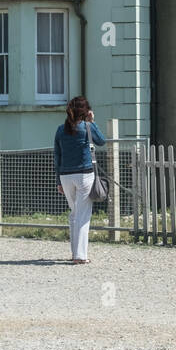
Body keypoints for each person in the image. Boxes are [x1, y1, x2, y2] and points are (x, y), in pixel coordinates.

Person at [54, 96, 105, 265]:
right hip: (84, 174)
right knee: (83, 215)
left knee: (75, 213)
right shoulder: (87, 127)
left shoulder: (61, 130)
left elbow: (57, 156)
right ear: (85, 112)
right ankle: (80, 256)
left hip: (65, 176)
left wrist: (58, 181)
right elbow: (101, 141)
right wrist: (93, 121)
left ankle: (75, 252)